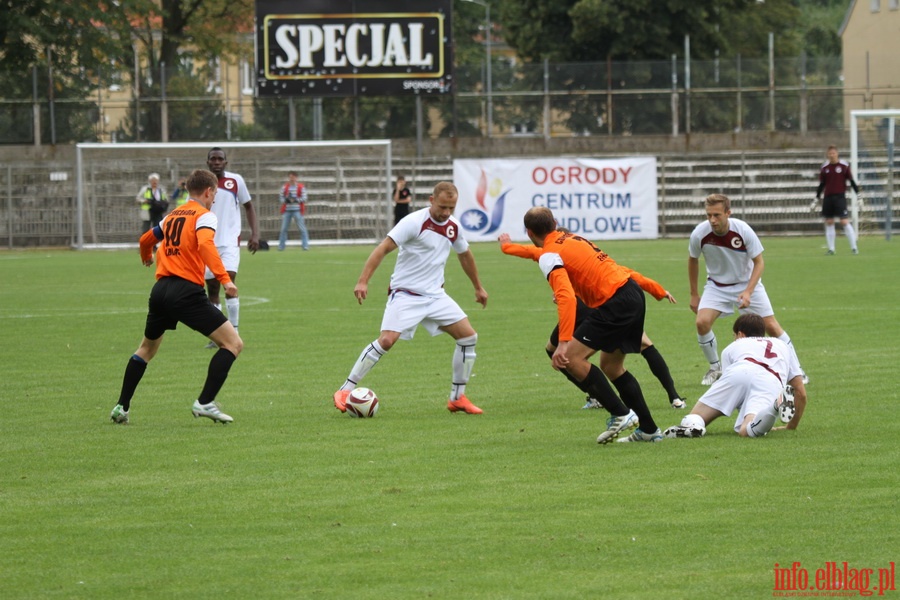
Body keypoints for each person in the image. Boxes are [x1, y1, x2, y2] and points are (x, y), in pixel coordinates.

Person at [515, 207, 677, 444]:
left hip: (614, 303)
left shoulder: (550, 254)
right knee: (612, 367)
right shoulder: (573, 238)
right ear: (556, 223)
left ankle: (620, 413)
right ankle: (649, 429)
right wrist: (655, 289)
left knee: (570, 359)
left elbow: (567, 298)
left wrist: (563, 343)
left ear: (528, 232)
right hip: (631, 294)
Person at [332, 181, 488, 415]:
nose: (446, 213)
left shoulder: (453, 226)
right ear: (431, 200)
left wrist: (478, 287)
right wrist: (363, 280)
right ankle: (345, 389)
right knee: (386, 341)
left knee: (468, 337)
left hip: (436, 296)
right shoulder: (414, 222)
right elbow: (382, 248)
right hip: (406, 294)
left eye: (451, 208)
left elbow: (465, 255)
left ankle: (457, 398)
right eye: (442, 207)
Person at [110, 169, 243, 425]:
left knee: (146, 349)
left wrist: (146, 256)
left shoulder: (172, 215)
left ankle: (121, 407)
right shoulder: (205, 216)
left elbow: (145, 239)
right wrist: (225, 280)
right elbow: (206, 245)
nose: (214, 198)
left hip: (160, 291)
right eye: (214, 193)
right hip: (186, 292)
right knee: (233, 344)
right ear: (208, 191)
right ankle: (205, 402)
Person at [498, 234, 686, 410]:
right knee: (639, 347)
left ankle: (599, 397)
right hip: (615, 302)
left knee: (561, 354)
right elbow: (631, 274)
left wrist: (506, 246)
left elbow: (528, 252)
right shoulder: (583, 252)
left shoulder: (551, 253)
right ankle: (673, 397)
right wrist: (659, 291)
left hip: (591, 308)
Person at [689, 193, 807, 387]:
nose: (712, 220)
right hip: (717, 286)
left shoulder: (743, 230)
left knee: (771, 326)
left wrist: (748, 292)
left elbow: (759, 263)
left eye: (717, 215)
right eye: (709, 215)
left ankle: (797, 371)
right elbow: (692, 260)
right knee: (702, 322)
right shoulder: (699, 234)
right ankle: (715, 368)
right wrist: (694, 294)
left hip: (747, 283)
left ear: (728, 213)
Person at [663, 314, 807, 439]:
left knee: (694, 417)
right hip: (771, 380)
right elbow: (800, 391)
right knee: (747, 429)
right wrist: (791, 426)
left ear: (740, 335)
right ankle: (774, 407)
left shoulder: (732, 347)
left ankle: (695, 426)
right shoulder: (782, 345)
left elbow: (735, 393)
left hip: (739, 371)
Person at [204, 148, 259, 347]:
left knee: (229, 283)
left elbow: (249, 206)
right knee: (212, 289)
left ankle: (234, 331)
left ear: (226, 162)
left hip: (229, 243)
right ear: (208, 162)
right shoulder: (201, 184)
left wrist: (255, 233)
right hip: (207, 244)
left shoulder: (235, 181)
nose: (216, 162)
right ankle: (218, 333)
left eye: (220, 159)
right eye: (213, 159)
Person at [812, 145, 860, 255]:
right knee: (829, 222)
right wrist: (816, 198)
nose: (832, 155)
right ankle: (831, 249)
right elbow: (822, 184)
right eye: (830, 153)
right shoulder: (825, 167)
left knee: (844, 221)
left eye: (833, 153)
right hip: (828, 197)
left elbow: (851, 181)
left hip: (839, 197)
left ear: (837, 154)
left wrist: (858, 195)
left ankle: (854, 247)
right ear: (827, 155)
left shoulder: (844, 166)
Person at [278, 170, 309, 251]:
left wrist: (295, 200)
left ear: (296, 178)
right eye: (290, 177)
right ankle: (281, 247)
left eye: (293, 177)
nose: (292, 179)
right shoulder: (285, 187)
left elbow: (304, 198)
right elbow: (281, 198)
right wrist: (286, 200)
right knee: (283, 229)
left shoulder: (301, 187)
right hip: (287, 210)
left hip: (297, 210)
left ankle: (305, 246)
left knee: (302, 228)